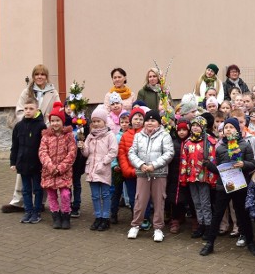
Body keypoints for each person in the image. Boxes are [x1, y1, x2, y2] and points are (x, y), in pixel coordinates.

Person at [2, 64, 60, 214]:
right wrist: (28, 122)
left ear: (46, 77)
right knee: (24, 165)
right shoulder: (26, 92)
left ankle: (40, 202)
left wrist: (47, 127)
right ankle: (18, 201)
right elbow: (20, 110)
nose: (40, 77)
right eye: (37, 74)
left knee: (43, 167)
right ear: (33, 76)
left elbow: (56, 111)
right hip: (28, 132)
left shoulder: (53, 92)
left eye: (43, 74)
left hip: (44, 132)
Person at [201, 117, 255, 256]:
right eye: (226, 127)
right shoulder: (220, 147)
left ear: (237, 129)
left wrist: (243, 164)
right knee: (218, 214)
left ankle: (250, 241)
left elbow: (252, 164)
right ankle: (210, 243)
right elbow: (219, 169)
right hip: (224, 186)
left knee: (243, 214)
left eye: (231, 127)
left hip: (240, 185)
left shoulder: (245, 145)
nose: (228, 129)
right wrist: (209, 165)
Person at [126, 110, 174, 243]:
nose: (149, 123)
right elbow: (131, 153)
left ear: (158, 123)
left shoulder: (164, 135)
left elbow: (169, 153)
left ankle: (158, 228)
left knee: (159, 201)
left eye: (153, 120)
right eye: (147, 120)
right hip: (142, 173)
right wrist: (141, 165)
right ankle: (135, 225)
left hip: (158, 174)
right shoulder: (138, 136)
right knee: (140, 200)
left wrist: (154, 165)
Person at [38, 104, 76, 230]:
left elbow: (72, 153)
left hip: (63, 172)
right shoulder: (46, 137)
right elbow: (42, 152)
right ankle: (56, 216)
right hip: (49, 172)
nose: (55, 123)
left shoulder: (68, 136)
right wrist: (50, 166)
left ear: (62, 121)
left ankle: (66, 215)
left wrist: (60, 168)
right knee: (52, 195)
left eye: (57, 120)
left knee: (65, 194)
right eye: (52, 121)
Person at [81, 104, 118, 232]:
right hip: (91, 169)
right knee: (95, 195)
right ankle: (98, 216)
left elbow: (113, 151)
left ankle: (105, 217)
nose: (96, 124)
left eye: (98, 121)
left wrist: (104, 162)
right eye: (94, 121)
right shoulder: (90, 136)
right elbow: (86, 153)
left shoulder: (110, 135)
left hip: (104, 169)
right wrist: (82, 148)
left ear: (104, 122)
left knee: (106, 194)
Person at [179, 116, 217, 239]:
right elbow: (184, 160)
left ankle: (208, 226)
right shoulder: (187, 142)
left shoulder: (209, 141)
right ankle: (201, 224)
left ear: (203, 127)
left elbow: (212, 160)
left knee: (205, 203)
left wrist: (212, 178)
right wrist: (183, 177)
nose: (195, 127)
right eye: (193, 125)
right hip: (191, 177)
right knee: (196, 202)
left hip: (204, 177)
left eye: (198, 125)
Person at [9, 98, 46, 224]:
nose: (28, 111)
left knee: (37, 189)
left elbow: (44, 146)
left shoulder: (41, 126)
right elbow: (15, 146)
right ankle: (28, 211)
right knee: (25, 189)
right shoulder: (19, 126)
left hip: (36, 164)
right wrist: (13, 162)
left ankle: (37, 212)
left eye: (31, 108)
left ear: (37, 110)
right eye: (26, 109)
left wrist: (44, 163)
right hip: (22, 164)